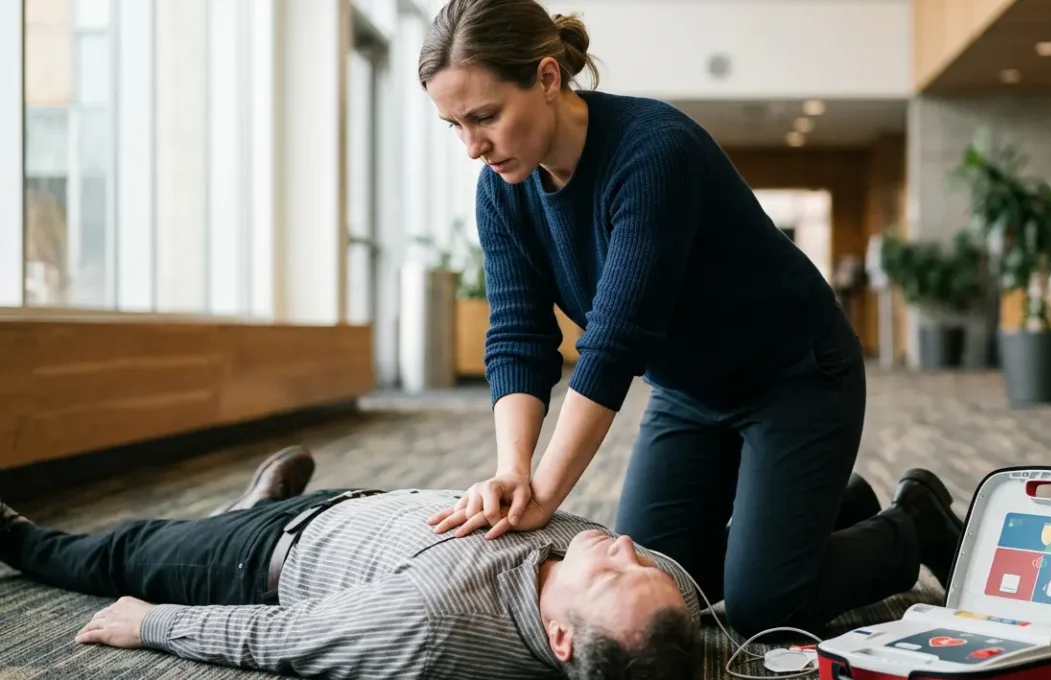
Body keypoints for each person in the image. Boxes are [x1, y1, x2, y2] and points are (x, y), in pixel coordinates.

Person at [417, 0, 967, 640]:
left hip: (794, 375)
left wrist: (544, 494)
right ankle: (835, 511)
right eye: (454, 125)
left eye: (485, 117)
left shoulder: (653, 151)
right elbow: (518, 333)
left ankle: (912, 523)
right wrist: (513, 467)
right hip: (688, 391)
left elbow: (613, 346)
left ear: (545, 78)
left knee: (765, 610)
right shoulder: (502, 188)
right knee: (665, 582)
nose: (472, 147)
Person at [0, 447, 703, 680]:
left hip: (259, 560)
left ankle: (18, 540)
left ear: (561, 640)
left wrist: (152, 624)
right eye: (645, 567)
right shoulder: (659, 598)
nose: (625, 547)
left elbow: (282, 639)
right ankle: (247, 506)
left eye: (613, 574)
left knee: (125, 551)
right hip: (356, 506)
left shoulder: (430, 625)